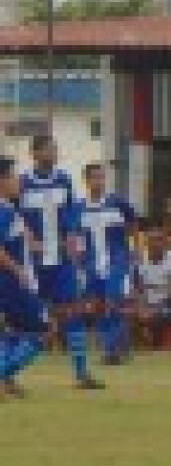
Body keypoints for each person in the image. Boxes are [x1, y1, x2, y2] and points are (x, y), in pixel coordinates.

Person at [19, 134, 103, 390]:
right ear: (35, 153)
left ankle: (81, 373)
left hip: (62, 262)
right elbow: (15, 218)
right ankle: (9, 375)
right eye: (49, 149)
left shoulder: (64, 180)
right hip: (34, 263)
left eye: (56, 149)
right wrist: (28, 238)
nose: (55, 153)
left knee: (73, 311)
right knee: (25, 319)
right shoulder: (22, 184)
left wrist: (73, 241)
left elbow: (70, 217)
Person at [68, 162, 139, 365]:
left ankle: (111, 349)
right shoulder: (79, 208)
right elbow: (74, 236)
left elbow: (134, 225)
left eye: (102, 177)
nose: (99, 181)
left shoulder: (117, 202)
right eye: (95, 177)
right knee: (98, 305)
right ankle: (120, 344)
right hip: (91, 263)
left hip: (117, 259)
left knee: (113, 301)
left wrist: (135, 250)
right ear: (86, 180)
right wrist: (77, 260)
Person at [0, 157, 48, 400]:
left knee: (12, 334)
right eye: (14, 177)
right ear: (3, 180)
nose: (19, 182)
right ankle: (3, 375)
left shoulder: (10, 209)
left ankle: (6, 382)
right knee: (39, 335)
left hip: (15, 281)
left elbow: (28, 242)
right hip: (13, 283)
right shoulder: (3, 211)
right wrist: (18, 270)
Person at [134, 227, 171, 350]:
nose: (156, 244)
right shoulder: (139, 260)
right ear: (147, 243)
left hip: (168, 304)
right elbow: (137, 288)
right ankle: (143, 342)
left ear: (165, 242)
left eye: (159, 240)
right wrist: (141, 305)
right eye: (152, 240)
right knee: (126, 312)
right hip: (146, 303)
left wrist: (156, 308)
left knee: (165, 314)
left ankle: (160, 341)